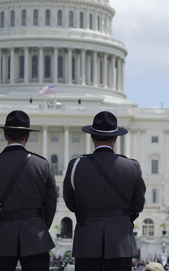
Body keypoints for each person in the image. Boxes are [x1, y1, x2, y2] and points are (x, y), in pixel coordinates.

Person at [63, 111, 146, 271]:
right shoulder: (131, 166)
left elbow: (70, 200)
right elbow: (138, 204)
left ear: (92, 137)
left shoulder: (76, 165)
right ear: (115, 138)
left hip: (87, 237)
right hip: (120, 238)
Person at [0, 110, 57, 271]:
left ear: (5, 135)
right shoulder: (42, 165)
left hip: (1, 237)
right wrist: (38, 225)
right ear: (27, 136)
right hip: (35, 237)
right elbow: (50, 204)